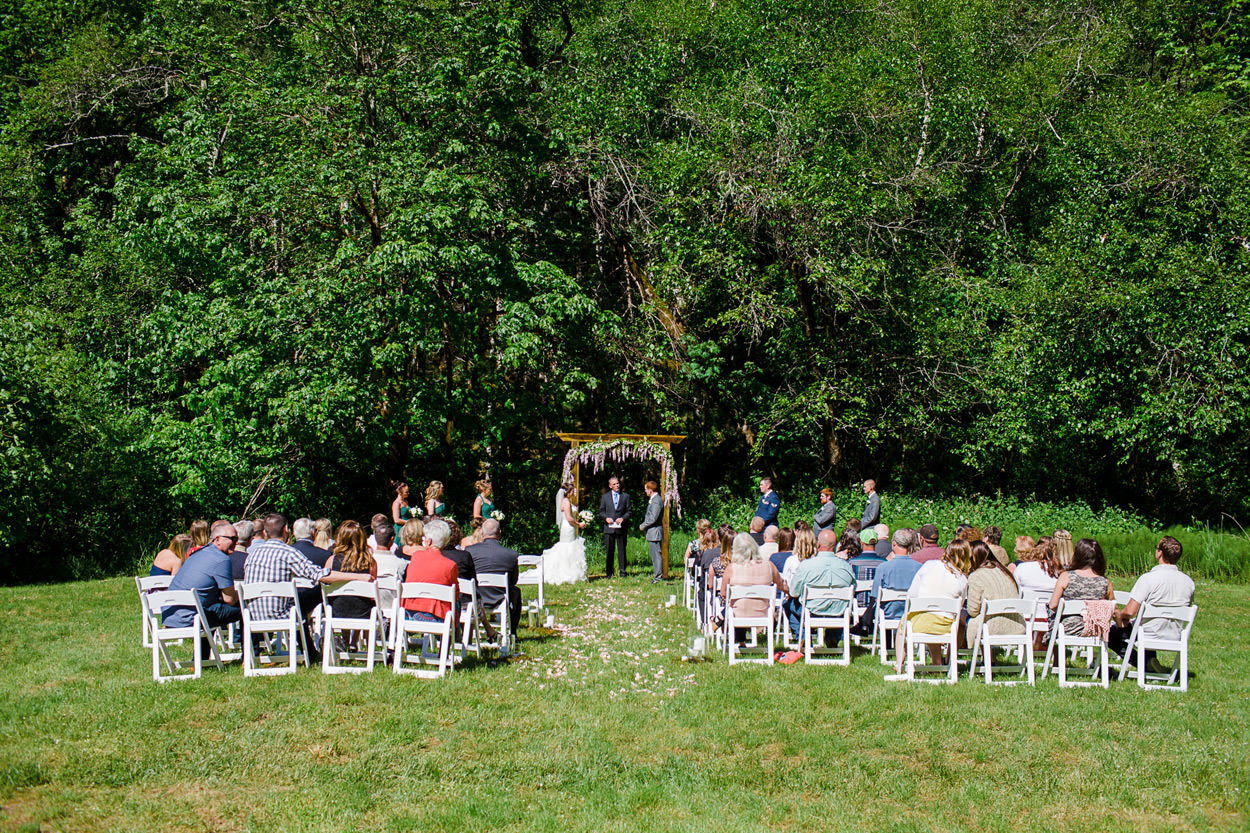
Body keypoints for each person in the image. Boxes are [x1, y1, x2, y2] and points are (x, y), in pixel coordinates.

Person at [244, 513, 363, 659]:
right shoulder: (288, 552)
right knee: (306, 602)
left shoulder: (252, 554)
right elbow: (320, 575)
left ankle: (251, 655)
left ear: (264, 532)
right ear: (286, 529)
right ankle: (313, 652)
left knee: (296, 605)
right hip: (281, 616)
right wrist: (358, 576)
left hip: (252, 615)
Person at [1108, 536, 1195, 673]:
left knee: (1111, 633)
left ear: (1159, 553)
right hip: (1174, 632)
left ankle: (1144, 664)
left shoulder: (1148, 579)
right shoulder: (1188, 582)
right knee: (1147, 623)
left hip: (1147, 632)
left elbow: (1129, 611)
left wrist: (1119, 616)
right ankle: (1150, 662)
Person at [903, 539, 972, 666]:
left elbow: (912, 594)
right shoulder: (962, 579)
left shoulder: (929, 565)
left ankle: (900, 661)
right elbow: (960, 606)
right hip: (945, 626)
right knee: (955, 619)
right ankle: (948, 659)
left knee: (917, 620)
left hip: (916, 623)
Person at [163, 520, 240, 631]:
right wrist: (242, 595)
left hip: (171, 616)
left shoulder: (198, 554)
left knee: (212, 609)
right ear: (217, 539)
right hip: (192, 618)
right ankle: (250, 647)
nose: (236, 543)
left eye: (236, 539)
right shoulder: (221, 559)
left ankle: (203, 649)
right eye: (232, 539)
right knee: (245, 608)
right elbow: (230, 600)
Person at [787, 529, 854, 644]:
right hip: (837, 610)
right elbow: (853, 589)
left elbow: (793, 592)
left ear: (818, 544)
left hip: (812, 609)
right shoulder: (846, 567)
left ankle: (803, 636)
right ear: (835, 545)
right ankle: (832, 637)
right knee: (839, 605)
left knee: (789, 605)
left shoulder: (806, 565)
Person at [720, 533, 787, 641]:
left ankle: (739, 640)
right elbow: (782, 585)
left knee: (737, 603)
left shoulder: (731, 568)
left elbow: (724, 593)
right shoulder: (769, 566)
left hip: (738, 615)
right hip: (764, 613)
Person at [1048, 537, 1114, 637]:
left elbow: (1053, 605)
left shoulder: (1066, 577)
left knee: (1053, 620)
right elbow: (1113, 606)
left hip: (1068, 628)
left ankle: (1057, 651)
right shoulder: (1104, 582)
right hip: (1095, 629)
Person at [965, 540, 1025, 647]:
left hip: (991, 627)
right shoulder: (1005, 572)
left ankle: (951, 658)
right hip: (1016, 624)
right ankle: (987, 657)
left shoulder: (976, 576)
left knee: (962, 616)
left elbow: (973, 610)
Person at [401, 519, 460, 624]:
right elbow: (455, 596)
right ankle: (454, 638)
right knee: (457, 604)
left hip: (410, 615)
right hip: (437, 618)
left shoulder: (416, 557)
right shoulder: (450, 565)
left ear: (429, 541)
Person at [468, 518, 521, 636]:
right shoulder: (511, 554)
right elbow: (513, 581)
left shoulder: (470, 551)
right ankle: (513, 632)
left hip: (476, 596)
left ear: (482, 533)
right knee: (516, 591)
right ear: (499, 533)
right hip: (500, 597)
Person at [327, 521, 376, 622]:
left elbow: (323, 577)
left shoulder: (332, 560)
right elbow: (372, 593)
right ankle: (356, 638)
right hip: (364, 614)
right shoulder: (370, 562)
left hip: (337, 612)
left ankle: (347, 638)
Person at [544, 484, 588, 584]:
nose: (573, 492)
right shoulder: (567, 502)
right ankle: (568, 572)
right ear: (568, 492)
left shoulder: (565, 501)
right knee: (569, 547)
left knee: (567, 547)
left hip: (567, 527)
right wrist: (579, 524)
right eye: (572, 491)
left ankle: (570, 571)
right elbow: (569, 518)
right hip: (568, 527)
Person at [599, 476, 631, 578]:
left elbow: (629, 511)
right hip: (609, 528)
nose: (617, 485)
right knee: (609, 551)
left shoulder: (625, 496)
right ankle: (609, 572)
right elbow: (601, 511)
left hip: (621, 528)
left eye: (618, 483)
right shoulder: (605, 497)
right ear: (610, 486)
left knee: (622, 550)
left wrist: (623, 518)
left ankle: (623, 571)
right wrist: (606, 518)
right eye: (614, 484)